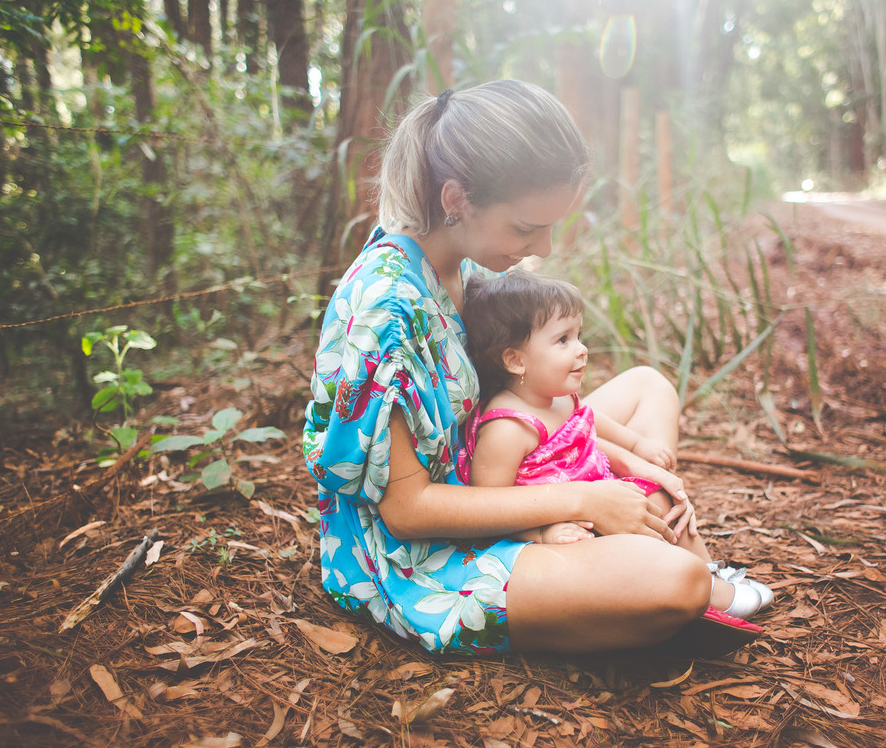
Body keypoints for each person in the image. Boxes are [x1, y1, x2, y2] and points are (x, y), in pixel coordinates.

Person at [304, 79, 766, 656]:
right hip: (423, 551)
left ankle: (624, 540)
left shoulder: (465, 277)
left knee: (650, 387)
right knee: (680, 583)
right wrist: (580, 500)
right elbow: (406, 510)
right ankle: (635, 563)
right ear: (455, 200)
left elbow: (524, 403)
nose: (543, 248)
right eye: (526, 228)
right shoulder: (385, 312)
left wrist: (616, 466)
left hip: (506, 466)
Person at [456, 269, 774, 620]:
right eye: (563, 340)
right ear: (516, 360)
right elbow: (491, 506)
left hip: (595, 493)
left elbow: (589, 432)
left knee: (658, 499)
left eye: (579, 335)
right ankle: (699, 590)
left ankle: (706, 570)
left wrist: (640, 456)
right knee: (632, 536)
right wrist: (542, 532)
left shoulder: (559, 397)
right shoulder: (508, 427)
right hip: (563, 522)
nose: (581, 349)